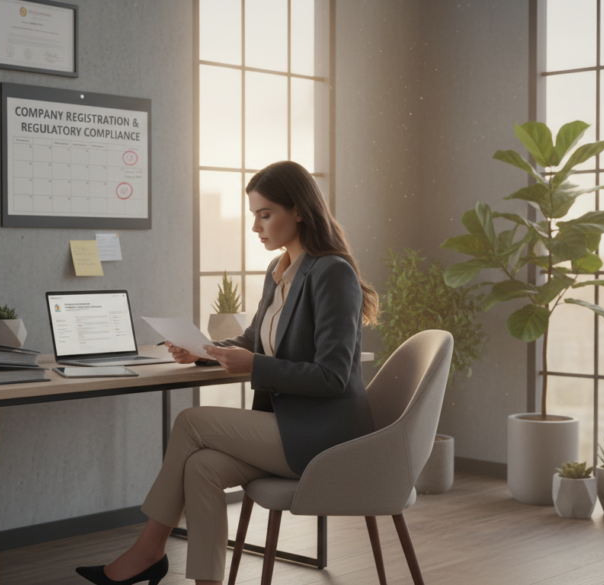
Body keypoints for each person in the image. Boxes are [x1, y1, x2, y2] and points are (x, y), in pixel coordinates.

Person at [76, 161, 379, 585]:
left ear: (300, 212)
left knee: (190, 421)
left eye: (265, 213)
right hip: (291, 427)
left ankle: (147, 551)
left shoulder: (332, 272)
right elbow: (255, 339)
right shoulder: (280, 275)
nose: (256, 225)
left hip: (327, 437)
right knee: (202, 467)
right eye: (253, 214)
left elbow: (332, 375)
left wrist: (254, 365)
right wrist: (206, 351)